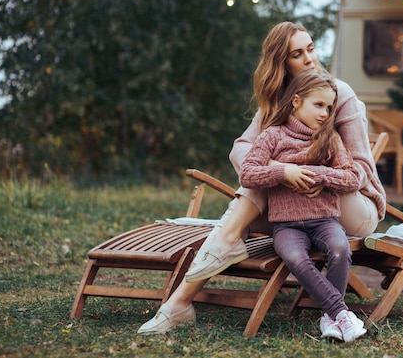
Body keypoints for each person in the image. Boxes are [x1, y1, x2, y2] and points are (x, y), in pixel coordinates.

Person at [137, 21, 386, 335]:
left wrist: (314, 176)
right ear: (281, 63)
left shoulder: (338, 93)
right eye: (297, 54)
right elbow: (240, 149)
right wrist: (281, 170)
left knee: (253, 187)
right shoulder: (283, 100)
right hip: (294, 213)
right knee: (256, 182)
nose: (309, 59)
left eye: (310, 49)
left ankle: (203, 271)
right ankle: (180, 304)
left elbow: (361, 170)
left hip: (353, 208)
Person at [239, 70, 366, 341]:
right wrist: (284, 173)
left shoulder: (330, 139)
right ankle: (340, 313)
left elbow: (352, 178)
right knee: (295, 257)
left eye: (329, 107)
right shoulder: (273, 136)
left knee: (340, 248)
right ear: (296, 102)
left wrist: (318, 173)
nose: (325, 113)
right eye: (318, 105)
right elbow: (247, 173)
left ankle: (330, 319)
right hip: (286, 225)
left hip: (325, 220)